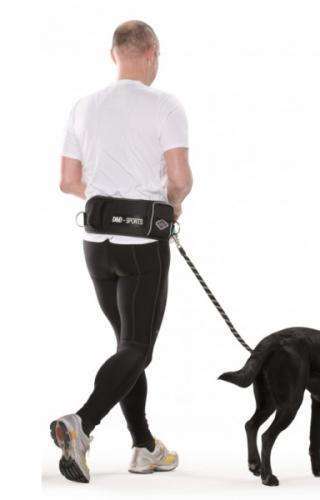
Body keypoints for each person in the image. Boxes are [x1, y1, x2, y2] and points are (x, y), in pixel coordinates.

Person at [51, 20, 193, 483]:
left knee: (128, 348)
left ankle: (144, 446)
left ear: (114, 54)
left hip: (97, 246)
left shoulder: (84, 106)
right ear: (151, 51)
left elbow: (69, 181)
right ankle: (82, 423)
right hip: (141, 248)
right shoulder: (165, 105)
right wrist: (169, 204)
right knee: (137, 348)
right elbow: (180, 179)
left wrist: (110, 201)